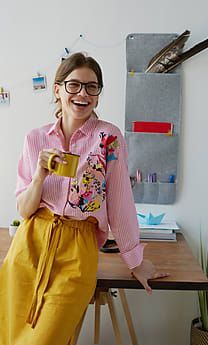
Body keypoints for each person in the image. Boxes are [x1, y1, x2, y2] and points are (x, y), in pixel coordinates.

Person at [0, 52, 168, 345]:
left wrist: (134, 259)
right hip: (30, 245)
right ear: (57, 89)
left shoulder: (108, 138)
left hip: (78, 250)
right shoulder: (35, 139)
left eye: (92, 87)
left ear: (99, 95)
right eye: (74, 85)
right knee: (8, 334)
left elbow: (120, 202)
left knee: (45, 338)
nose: (83, 93)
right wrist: (39, 174)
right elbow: (25, 210)